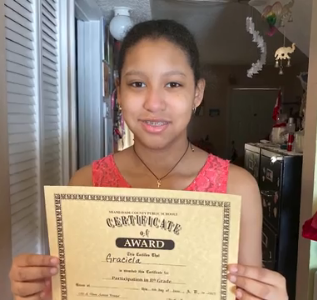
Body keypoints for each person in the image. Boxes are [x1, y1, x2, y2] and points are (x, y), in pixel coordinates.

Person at [9, 20, 288, 300]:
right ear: (119, 92)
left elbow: (245, 291)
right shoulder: (86, 184)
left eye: (173, 83)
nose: (154, 103)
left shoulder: (237, 187)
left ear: (197, 93)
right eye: (137, 83)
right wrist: (46, 293)